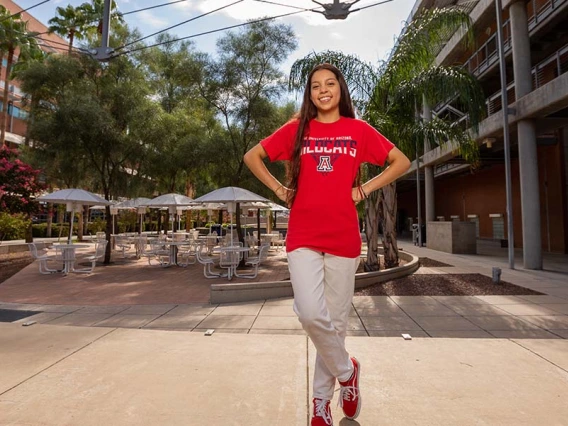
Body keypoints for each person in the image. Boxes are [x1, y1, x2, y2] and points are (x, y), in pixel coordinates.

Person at [244, 63, 411, 425]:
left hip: (343, 236)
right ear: (310, 94)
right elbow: (252, 156)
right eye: (315, 85)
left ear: (340, 90)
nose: (323, 90)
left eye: (330, 83)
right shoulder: (297, 130)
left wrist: (364, 189)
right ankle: (347, 372)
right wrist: (279, 189)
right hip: (302, 233)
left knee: (335, 322)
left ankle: (322, 402)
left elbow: (401, 161)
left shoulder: (358, 130)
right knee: (309, 313)